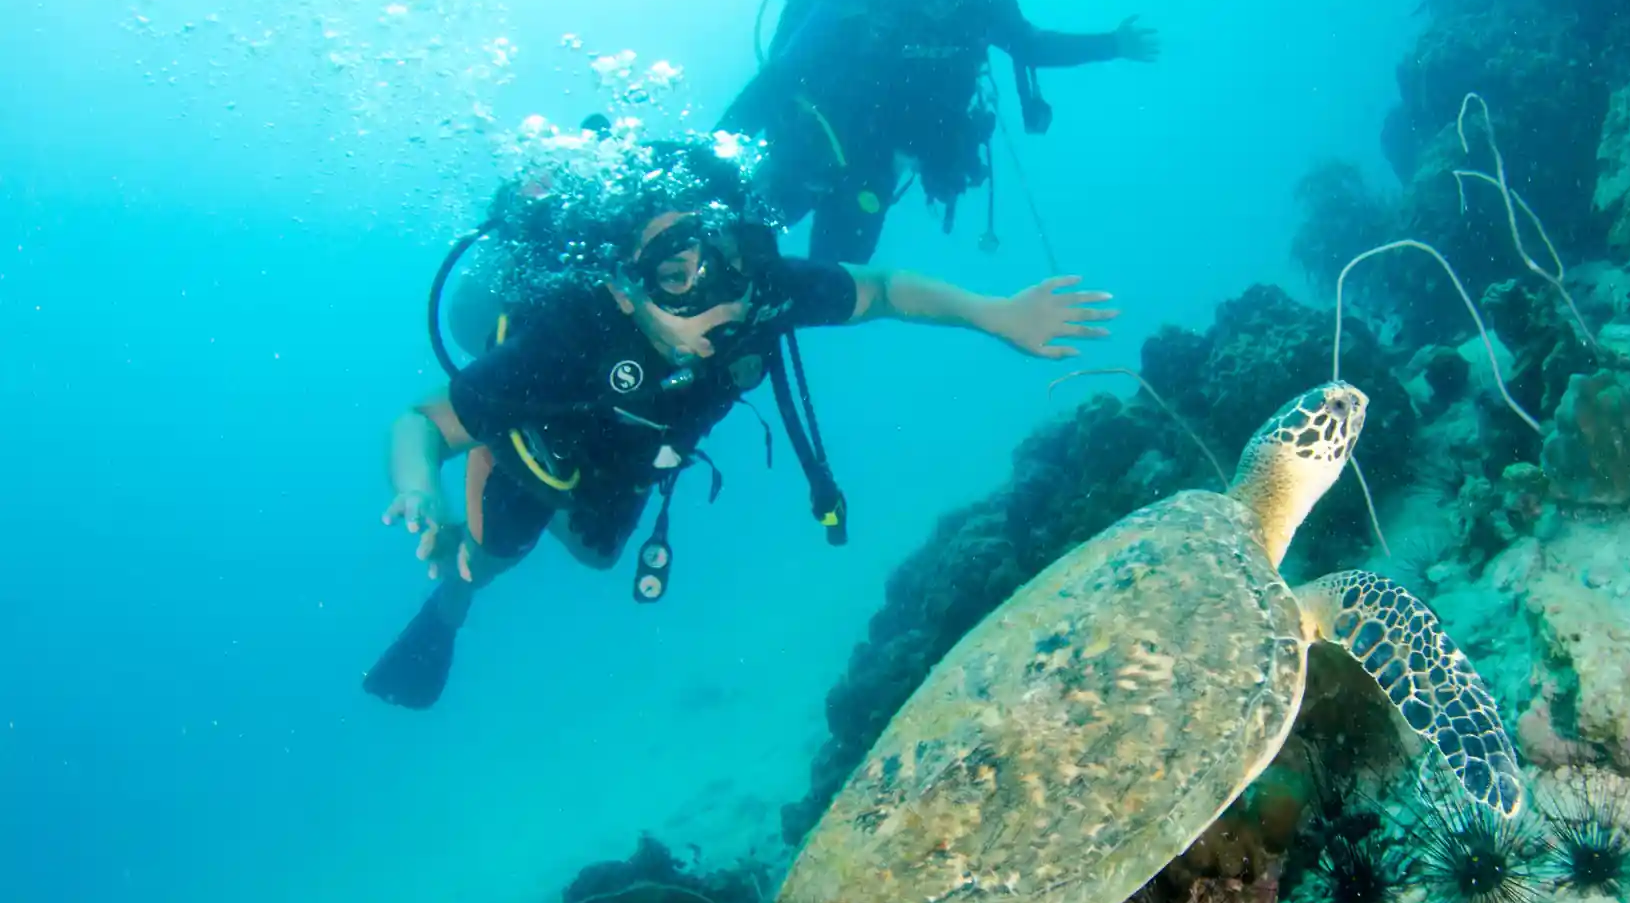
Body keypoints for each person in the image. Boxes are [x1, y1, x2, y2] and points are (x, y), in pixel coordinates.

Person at [363, 138, 1119, 710]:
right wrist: (418, 488)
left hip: (639, 457)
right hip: (539, 447)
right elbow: (422, 420)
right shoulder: (569, 337)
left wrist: (996, 314)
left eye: (729, 257)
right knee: (495, 554)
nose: (722, 297)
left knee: (597, 558)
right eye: (677, 274)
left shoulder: (764, 292)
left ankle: (507, 538)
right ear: (626, 290)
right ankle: (453, 599)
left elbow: (883, 288)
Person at [719, 0, 1160, 266]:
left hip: (878, 162)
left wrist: (1113, 44)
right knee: (724, 244)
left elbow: (1030, 45)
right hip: (811, 143)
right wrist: (711, 158)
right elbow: (782, 74)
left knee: (835, 286)